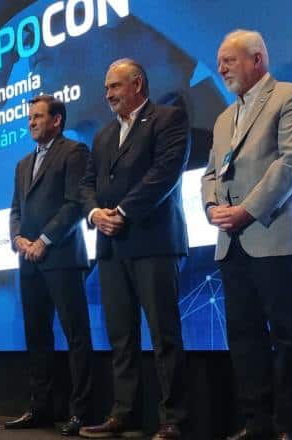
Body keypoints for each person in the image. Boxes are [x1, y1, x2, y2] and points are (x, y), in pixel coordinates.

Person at [201, 30, 292, 440]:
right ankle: (256, 423)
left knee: (287, 336)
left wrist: (247, 211)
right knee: (244, 336)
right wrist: (212, 207)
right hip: (231, 242)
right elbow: (210, 174)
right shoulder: (223, 117)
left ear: (257, 60)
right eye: (219, 62)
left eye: (228, 60)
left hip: (275, 232)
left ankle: (290, 426)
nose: (220, 69)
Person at [78, 59, 189, 440]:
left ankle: (173, 419)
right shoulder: (103, 135)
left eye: (114, 86)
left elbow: (164, 174)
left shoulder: (168, 118)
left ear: (137, 84)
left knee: (163, 335)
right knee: (121, 336)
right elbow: (87, 184)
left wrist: (122, 212)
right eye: (106, 88)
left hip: (153, 242)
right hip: (111, 247)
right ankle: (124, 414)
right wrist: (95, 213)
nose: (107, 94)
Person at [6, 94, 93, 436]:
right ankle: (40, 408)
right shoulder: (22, 164)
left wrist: (44, 240)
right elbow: (16, 209)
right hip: (28, 260)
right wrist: (17, 238)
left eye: (38, 116)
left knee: (76, 336)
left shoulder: (74, 152)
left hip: (62, 258)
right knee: (37, 337)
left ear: (57, 120)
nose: (31, 122)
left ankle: (82, 412)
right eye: (30, 117)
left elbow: (74, 204)